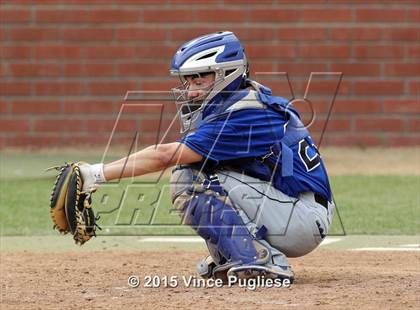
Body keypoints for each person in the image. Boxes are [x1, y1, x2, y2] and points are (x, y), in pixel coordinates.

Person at [80, 31, 335, 283]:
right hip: (292, 207)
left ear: (227, 76)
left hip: (300, 218)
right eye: (189, 82)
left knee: (188, 178)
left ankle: (261, 260)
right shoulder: (245, 99)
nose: (190, 92)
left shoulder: (244, 115)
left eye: (199, 82)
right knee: (198, 168)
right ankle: (235, 254)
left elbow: (164, 155)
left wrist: (95, 174)